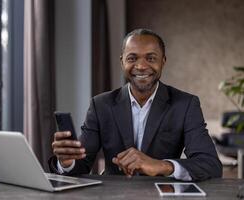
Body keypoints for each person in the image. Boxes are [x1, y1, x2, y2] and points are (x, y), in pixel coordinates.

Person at [49, 28, 222, 181]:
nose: (140, 66)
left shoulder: (185, 105)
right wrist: (67, 162)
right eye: (132, 58)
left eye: (151, 58)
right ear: (122, 61)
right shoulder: (101, 104)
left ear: (163, 61)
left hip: (161, 194)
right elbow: (81, 165)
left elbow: (210, 165)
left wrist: (161, 165)